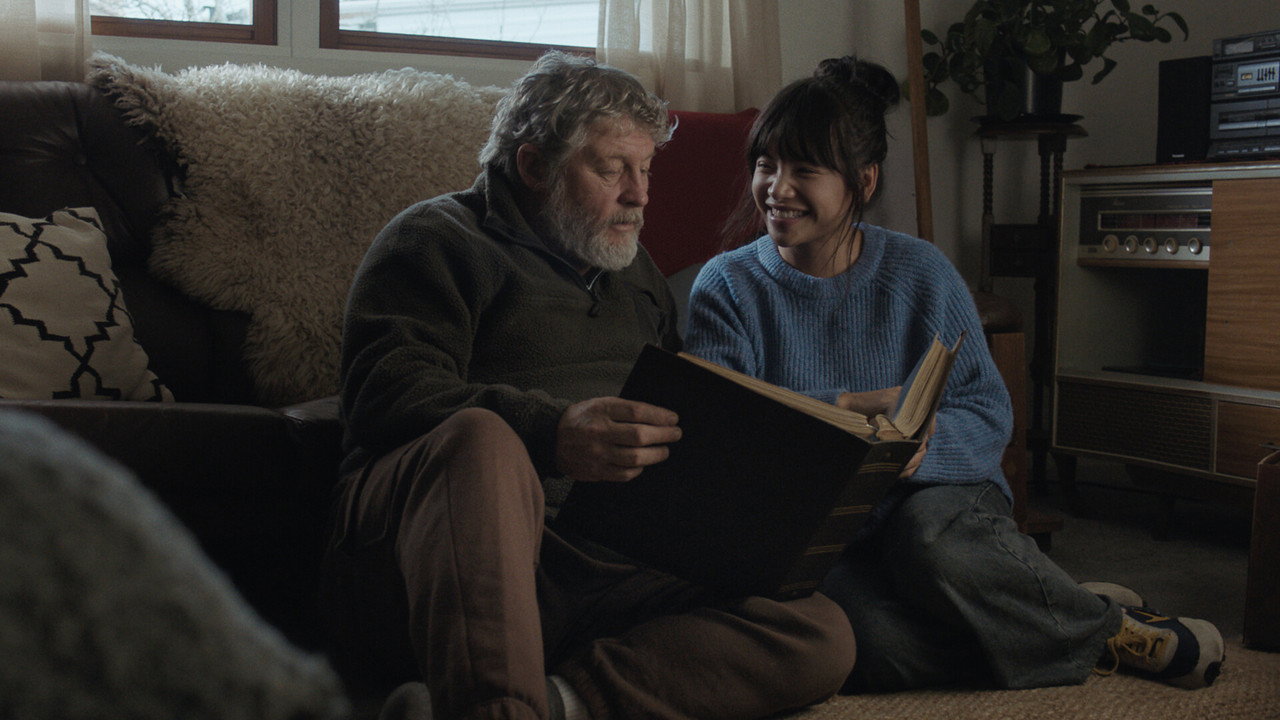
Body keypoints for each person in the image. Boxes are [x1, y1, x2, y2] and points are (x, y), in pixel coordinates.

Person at [319, 50, 855, 720]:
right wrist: (552, 433)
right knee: (482, 441)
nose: (640, 195)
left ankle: (557, 702)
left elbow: (676, 414)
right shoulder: (434, 240)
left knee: (818, 631)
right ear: (534, 167)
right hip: (448, 556)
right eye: (612, 169)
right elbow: (385, 392)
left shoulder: (635, 273)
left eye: (646, 169)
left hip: (601, 563)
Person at [683, 55, 1226, 693]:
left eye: (804, 169)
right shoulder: (727, 284)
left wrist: (921, 448)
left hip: (938, 503)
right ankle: (1064, 612)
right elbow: (721, 433)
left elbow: (988, 412)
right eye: (765, 164)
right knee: (871, 648)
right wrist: (846, 407)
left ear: (863, 179)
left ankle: (1099, 626)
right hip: (817, 527)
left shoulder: (921, 272)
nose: (777, 187)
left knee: (929, 544)